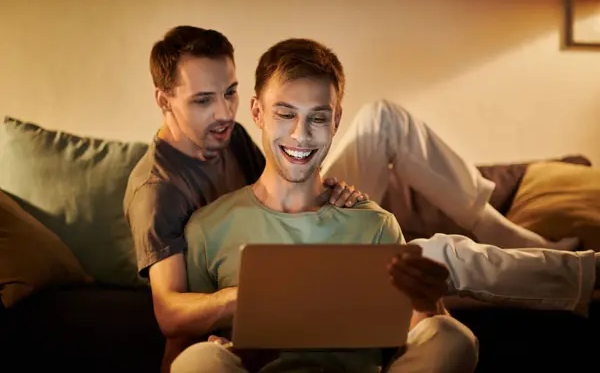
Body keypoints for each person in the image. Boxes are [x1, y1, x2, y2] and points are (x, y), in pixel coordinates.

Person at [122, 26, 585, 369]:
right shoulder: (162, 195)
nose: (223, 112)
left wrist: (331, 191)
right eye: (203, 100)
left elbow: (290, 158)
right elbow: (170, 318)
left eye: (228, 93)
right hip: (243, 248)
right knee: (199, 362)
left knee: (449, 321)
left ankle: (531, 245)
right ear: (164, 101)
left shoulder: (234, 135)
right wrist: (248, 304)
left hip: (316, 214)